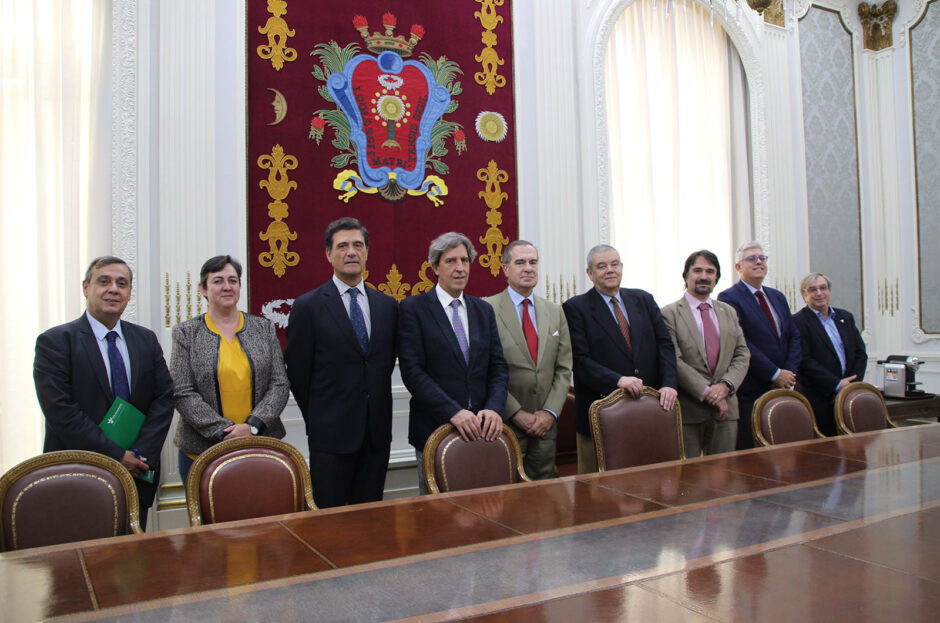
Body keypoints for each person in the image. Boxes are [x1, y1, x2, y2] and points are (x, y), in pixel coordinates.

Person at [33, 256, 174, 530]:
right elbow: (60, 411)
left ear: (129, 293)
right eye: (104, 281)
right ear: (86, 287)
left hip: (137, 473)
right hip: (78, 473)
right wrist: (115, 454)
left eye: (122, 284)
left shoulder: (145, 339)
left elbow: (163, 398)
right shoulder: (55, 342)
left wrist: (139, 454)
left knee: (130, 562)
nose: (113, 289)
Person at [285, 218, 398, 508]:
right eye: (343, 246)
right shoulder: (308, 306)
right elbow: (298, 373)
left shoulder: (386, 306)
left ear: (367, 252)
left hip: (376, 435)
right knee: (330, 524)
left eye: (357, 245)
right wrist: (322, 417)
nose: (351, 252)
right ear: (328, 254)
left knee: (370, 519)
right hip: (330, 436)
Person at [398, 232, 509, 493]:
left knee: (485, 506)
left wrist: (494, 408)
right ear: (435, 267)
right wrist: (453, 412)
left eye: (465, 260)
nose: (460, 268)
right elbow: (413, 372)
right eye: (451, 261)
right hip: (435, 429)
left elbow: (498, 366)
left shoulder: (483, 310)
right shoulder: (414, 309)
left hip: (484, 430)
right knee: (437, 517)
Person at [171, 255, 290, 484]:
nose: (226, 287)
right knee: (212, 520)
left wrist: (253, 426)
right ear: (203, 288)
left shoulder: (263, 328)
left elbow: (280, 384)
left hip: (261, 445)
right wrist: (224, 432)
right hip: (201, 452)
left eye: (232, 280)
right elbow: (182, 391)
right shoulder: (187, 333)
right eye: (217, 281)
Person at [562, 244, 678, 473]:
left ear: (622, 267)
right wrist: (618, 380)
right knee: (600, 494)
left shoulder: (643, 299)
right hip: (601, 413)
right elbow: (580, 360)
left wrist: (668, 384)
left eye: (615, 264)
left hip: (650, 410)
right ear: (590, 273)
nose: (610, 270)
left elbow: (665, 346)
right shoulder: (576, 307)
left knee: (650, 482)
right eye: (602, 266)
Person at [484, 240, 572, 480]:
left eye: (533, 262)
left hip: (545, 427)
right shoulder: (486, 309)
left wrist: (549, 412)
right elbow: (484, 370)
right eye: (520, 262)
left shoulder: (555, 311)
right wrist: (516, 413)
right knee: (505, 497)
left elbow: (564, 370)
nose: (528, 268)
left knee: (542, 499)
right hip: (504, 424)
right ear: (505, 269)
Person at [661, 250, 750, 456]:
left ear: (716, 277)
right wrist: (708, 393)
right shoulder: (669, 313)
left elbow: (742, 354)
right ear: (686, 276)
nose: (704, 276)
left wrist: (725, 386)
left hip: (726, 410)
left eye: (710, 271)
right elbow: (673, 359)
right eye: (697, 270)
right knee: (689, 479)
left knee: (724, 476)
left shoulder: (728, 311)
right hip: (689, 411)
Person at [718, 242, 801, 449]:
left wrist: (788, 372)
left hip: (784, 386)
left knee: (784, 451)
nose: (758, 262)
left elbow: (793, 336)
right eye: (751, 258)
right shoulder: (729, 298)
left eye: (762, 258)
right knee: (753, 456)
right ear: (738, 267)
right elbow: (742, 343)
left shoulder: (777, 296)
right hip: (751, 390)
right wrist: (773, 374)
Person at [792, 272, 868, 436]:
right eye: (812, 290)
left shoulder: (845, 317)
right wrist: (836, 384)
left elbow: (860, 353)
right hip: (817, 399)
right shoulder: (797, 322)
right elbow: (804, 361)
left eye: (823, 288)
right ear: (804, 295)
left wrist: (851, 384)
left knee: (853, 448)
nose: (819, 293)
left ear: (829, 291)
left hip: (849, 396)